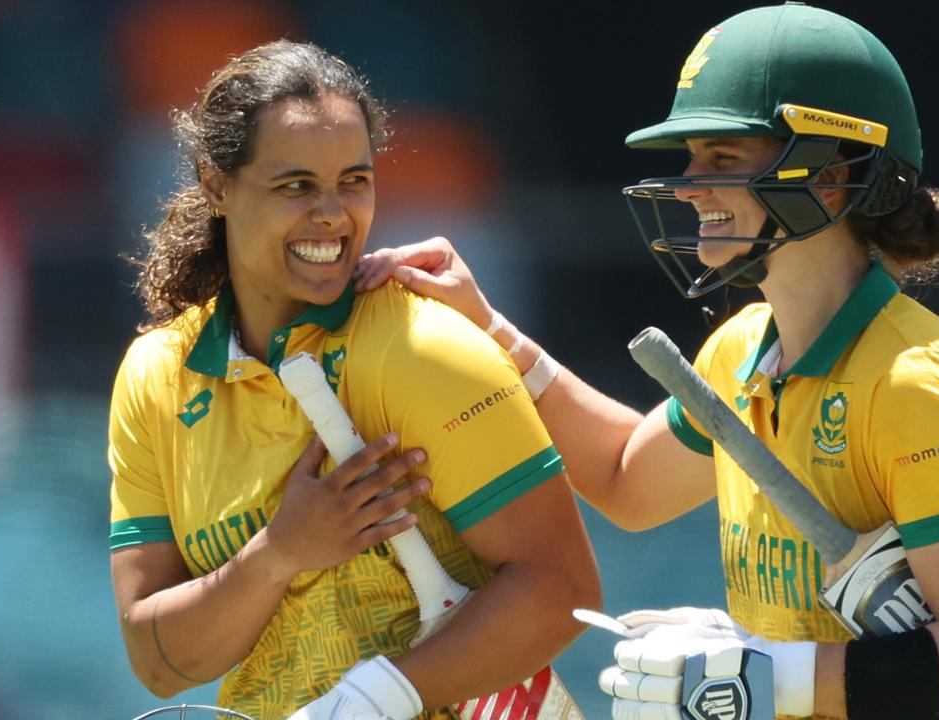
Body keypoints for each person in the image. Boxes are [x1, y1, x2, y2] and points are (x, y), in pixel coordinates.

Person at [353, 4, 939, 719]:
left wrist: (771, 674)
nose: (688, 185)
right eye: (689, 158)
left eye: (720, 158)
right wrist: (487, 324)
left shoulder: (918, 381)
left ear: (829, 177)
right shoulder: (742, 348)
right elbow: (627, 482)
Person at [107, 40, 600, 720]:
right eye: (296, 185)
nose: (334, 214)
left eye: (354, 181)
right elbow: (157, 662)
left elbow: (561, 589)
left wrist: (377, 697)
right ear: (217, 186)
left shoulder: (422, 348)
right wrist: (280, 552)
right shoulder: (155, 375)